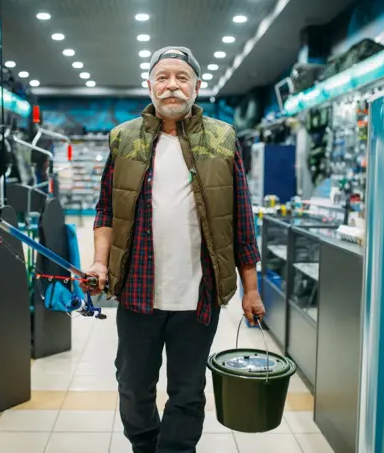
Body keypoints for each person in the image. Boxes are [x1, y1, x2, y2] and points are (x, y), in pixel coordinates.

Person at [82, 46, 265, 453]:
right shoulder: (124, 138)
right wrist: (98, 260)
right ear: (149, 85)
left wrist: (251, 290)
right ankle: (145, 447)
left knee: (188, 390)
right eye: (163, 77)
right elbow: (106, 210)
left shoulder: (222, 139)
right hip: (136, 292)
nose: (172, 86)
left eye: (182, 78)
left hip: (198, 296)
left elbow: (241, 220)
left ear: (197, 86)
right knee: (132, 387)